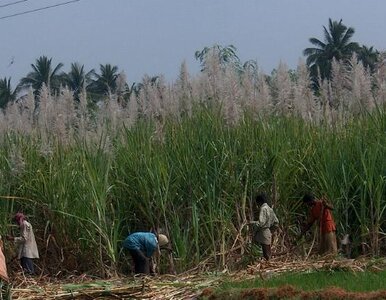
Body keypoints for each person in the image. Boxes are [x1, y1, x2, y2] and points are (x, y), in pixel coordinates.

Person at [250, 193, 279, 260]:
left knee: (265, 252)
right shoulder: (270, 209)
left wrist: (251, 223)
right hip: (268, 232)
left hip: (263, 232)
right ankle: (268, 265)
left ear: (259, 202)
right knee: (268, 250)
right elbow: (276, 222)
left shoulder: (263, 208)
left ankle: (268, 265)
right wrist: (271, 230)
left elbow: (261, 223)